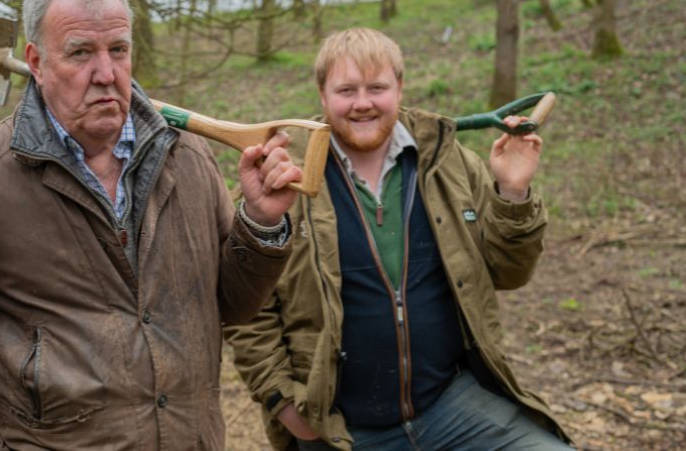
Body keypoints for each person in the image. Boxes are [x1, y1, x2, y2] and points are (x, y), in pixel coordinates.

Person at [0, 0, 303, 450]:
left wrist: (262, 223)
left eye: (118, 49)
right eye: (80, 53)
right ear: (35, 62)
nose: (105, 73)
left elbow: (231, 306)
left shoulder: (186, 157)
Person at [223, 27, 573, 450]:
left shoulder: (450, 163)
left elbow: (510, 273)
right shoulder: (279, 180)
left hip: (452, 406)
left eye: (377, 87)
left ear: (400, 87)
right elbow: (245, 310)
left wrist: (513, 193)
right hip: (341, 427)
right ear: (322, 94)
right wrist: (283, 403)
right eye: (346, 89)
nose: (363, 103)